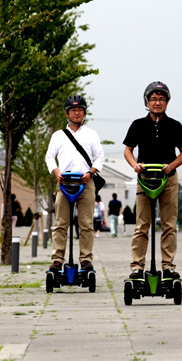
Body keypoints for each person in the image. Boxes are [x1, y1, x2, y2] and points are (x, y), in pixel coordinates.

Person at [123, 81, 182, 279]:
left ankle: (168, 265)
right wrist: (135, 165)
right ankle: (137, 266)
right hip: (145, 177)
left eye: (161, 99)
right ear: (147, 102)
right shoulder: (137, 125)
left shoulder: (175, 125)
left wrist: (172, 166)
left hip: (167, 178)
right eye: (153, 99)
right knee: (142, 224)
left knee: (169, 224)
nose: (157, 102)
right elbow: (128, 150)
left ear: (167, 102)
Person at [45, 95, 105, 273]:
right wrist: (56, 172)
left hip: (85, 182)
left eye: (80, 110)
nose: (76, 113)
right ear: (67, 113)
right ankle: (57, 260)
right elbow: (49, 156)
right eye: (73, 110)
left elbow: (100, 156)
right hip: (64, 182)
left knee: (86, 223)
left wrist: (91, 172)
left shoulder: (91, 134)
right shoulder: (58, 135)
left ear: (85, 113)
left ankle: (86, 259)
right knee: (61, 223)